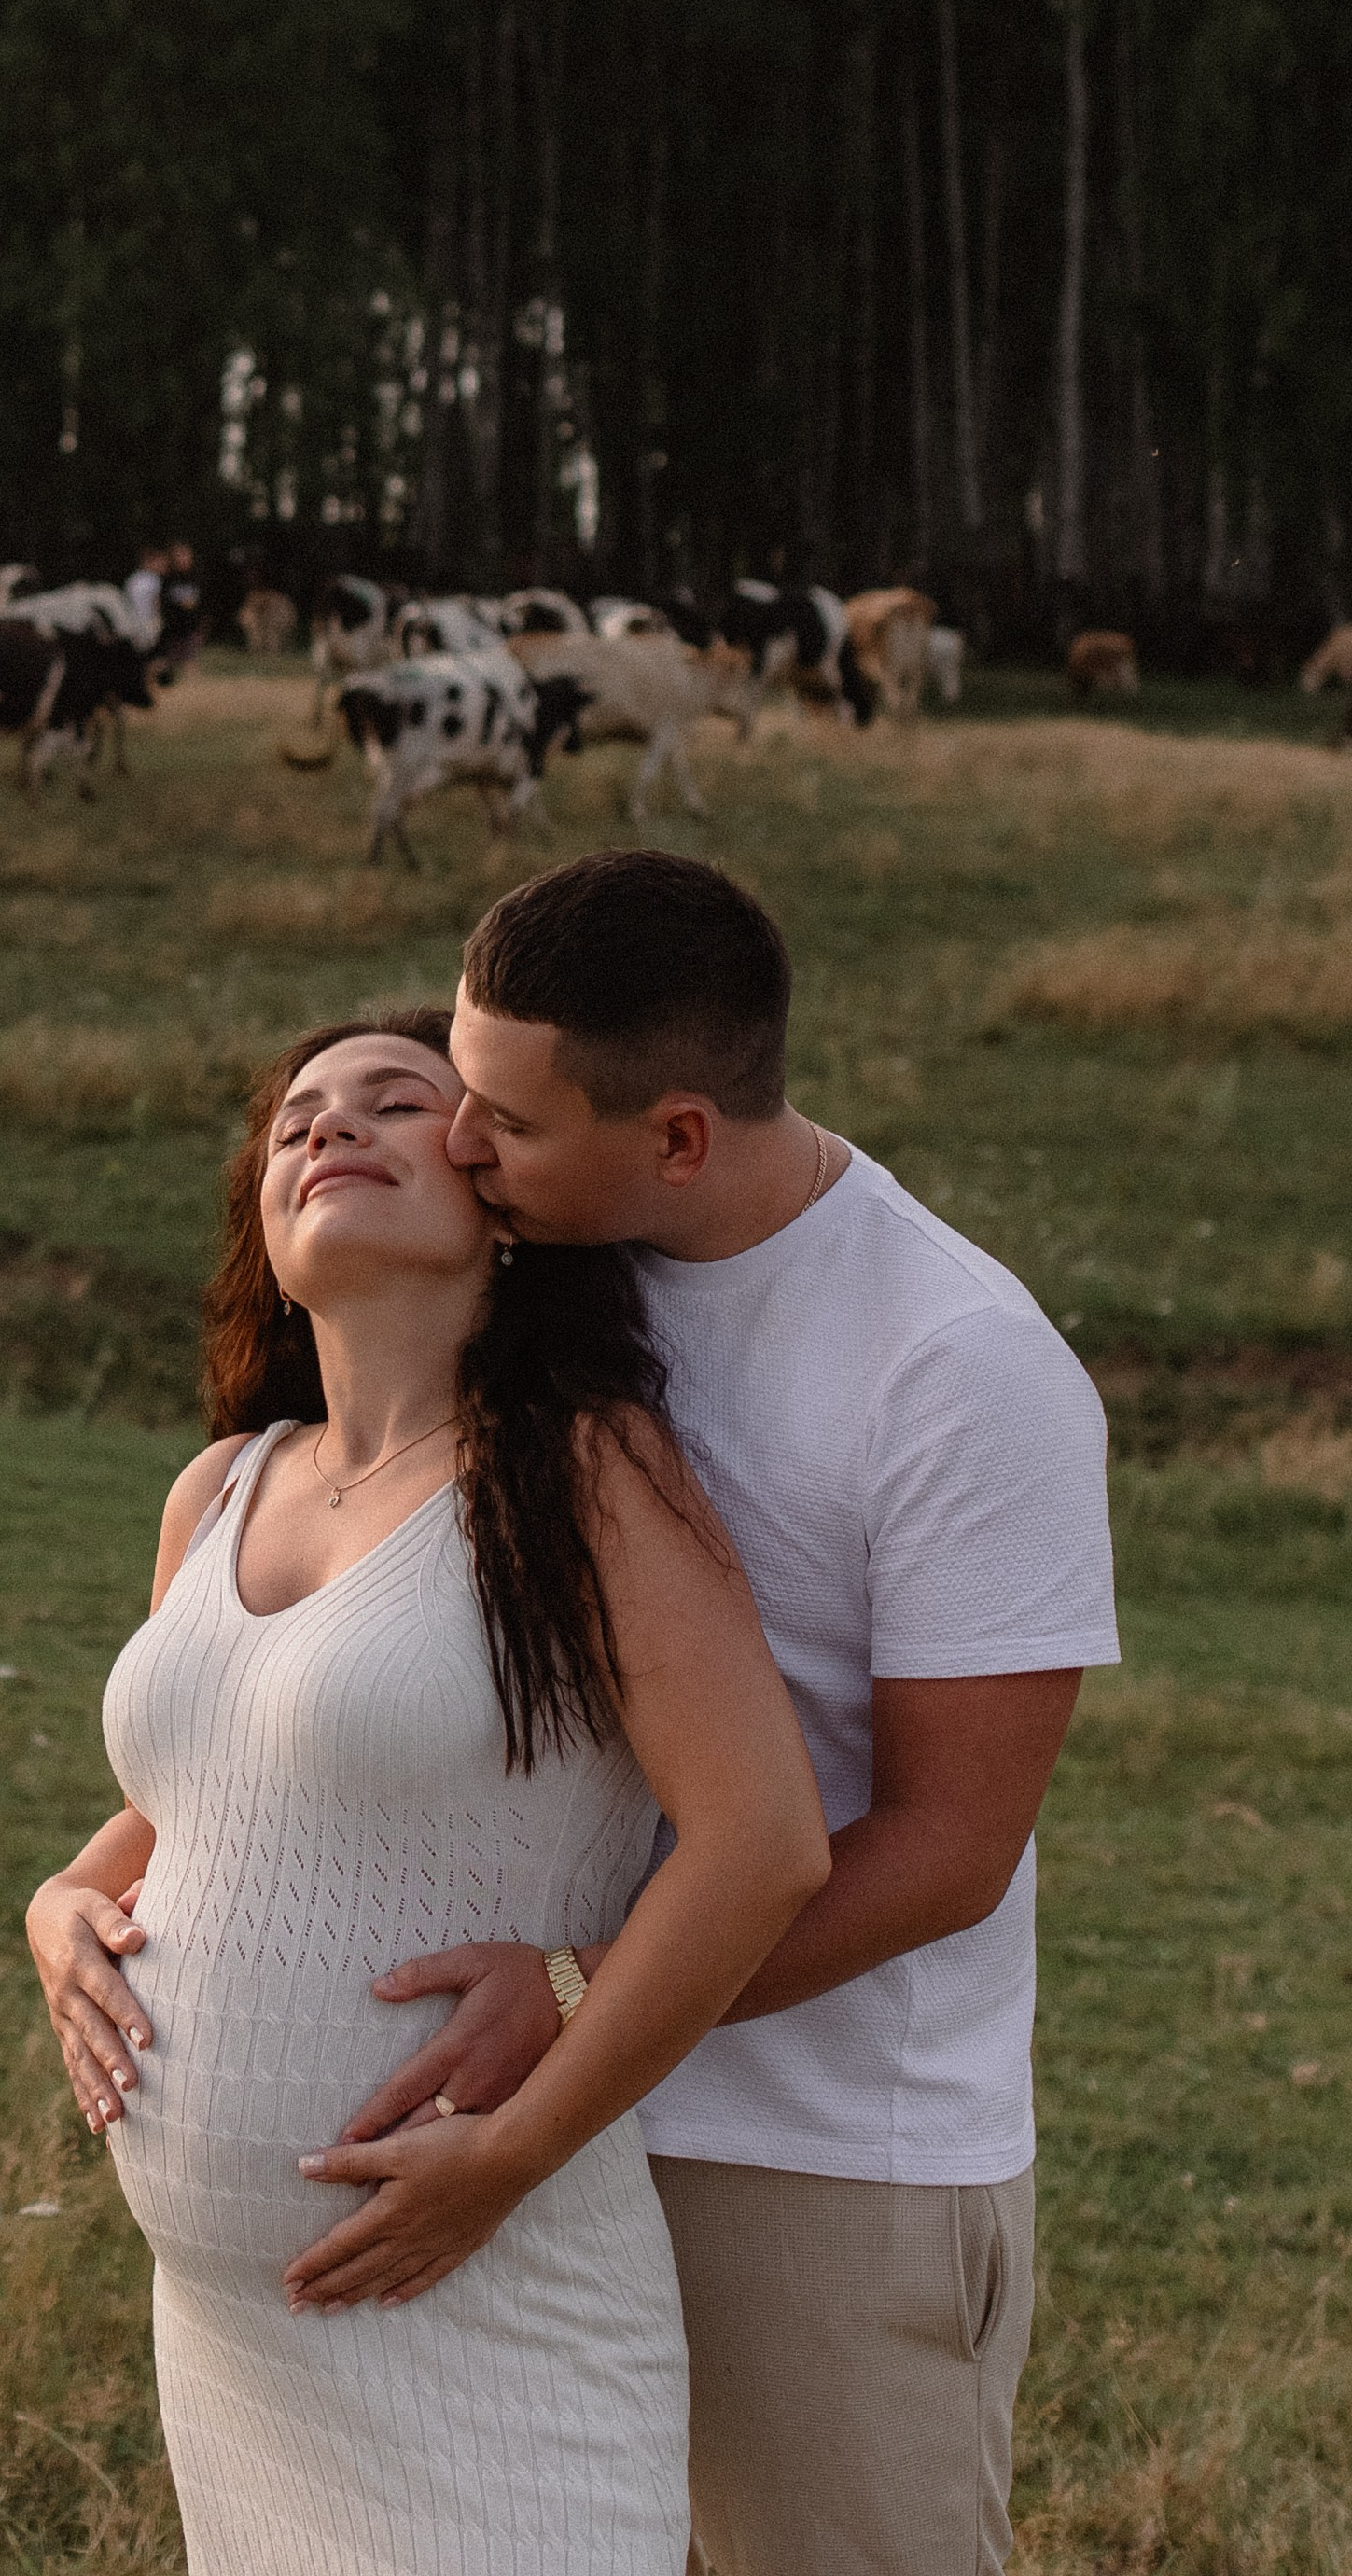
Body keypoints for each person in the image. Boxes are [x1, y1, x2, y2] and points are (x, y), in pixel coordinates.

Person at [309, 853, 1120, 2576]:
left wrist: (579, 2000)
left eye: (506, 1127)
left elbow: (949, 1850)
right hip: (530, 2122)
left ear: (678, 1135)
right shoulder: (549, 1273)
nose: (462, 1147)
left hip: (809, 2156)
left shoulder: (958, 1366)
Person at [27, 1010, 829, 2575]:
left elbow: (763, 1846)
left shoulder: (584, 1472)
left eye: (399, 1104)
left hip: (491, 2292)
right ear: (264, 1225)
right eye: (296, 1122)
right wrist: (58, 1897)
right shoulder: (222, 1486)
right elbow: (223, 1788)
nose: (332, 1129)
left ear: (498, 1200)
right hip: (234, 2343)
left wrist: (510, 2160)